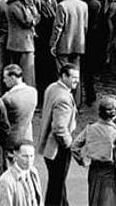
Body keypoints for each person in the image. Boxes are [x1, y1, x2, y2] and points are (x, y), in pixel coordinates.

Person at [70, 95, 116, 206]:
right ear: (115, 115)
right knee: (108, 201)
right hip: (109, 172)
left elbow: (74, 147)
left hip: (94, 170)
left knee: (94, 200)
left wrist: (82, 161)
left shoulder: (90, 128)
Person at [38, 64, 78, 206]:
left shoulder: (52, 88)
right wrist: (69, 144)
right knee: (56, 186)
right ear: (64, 76)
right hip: (58, 148)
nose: (76, 81)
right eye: (73, 78)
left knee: (57, 183)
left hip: (48, 146)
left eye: (77, 78)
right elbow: (60, 128)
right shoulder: (64, 98)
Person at [0, 140, 43, 206]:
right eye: (25, 156)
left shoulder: (33, 172)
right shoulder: (5, 182)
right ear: (15, 154)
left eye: (31, 156)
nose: (29, 160)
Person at [1, 64, 37, 149]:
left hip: (11, 140)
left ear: (12, 78)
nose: (3, 80)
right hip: (27, 136)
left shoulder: (7, 98)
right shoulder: (33, 92)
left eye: (5, 78)